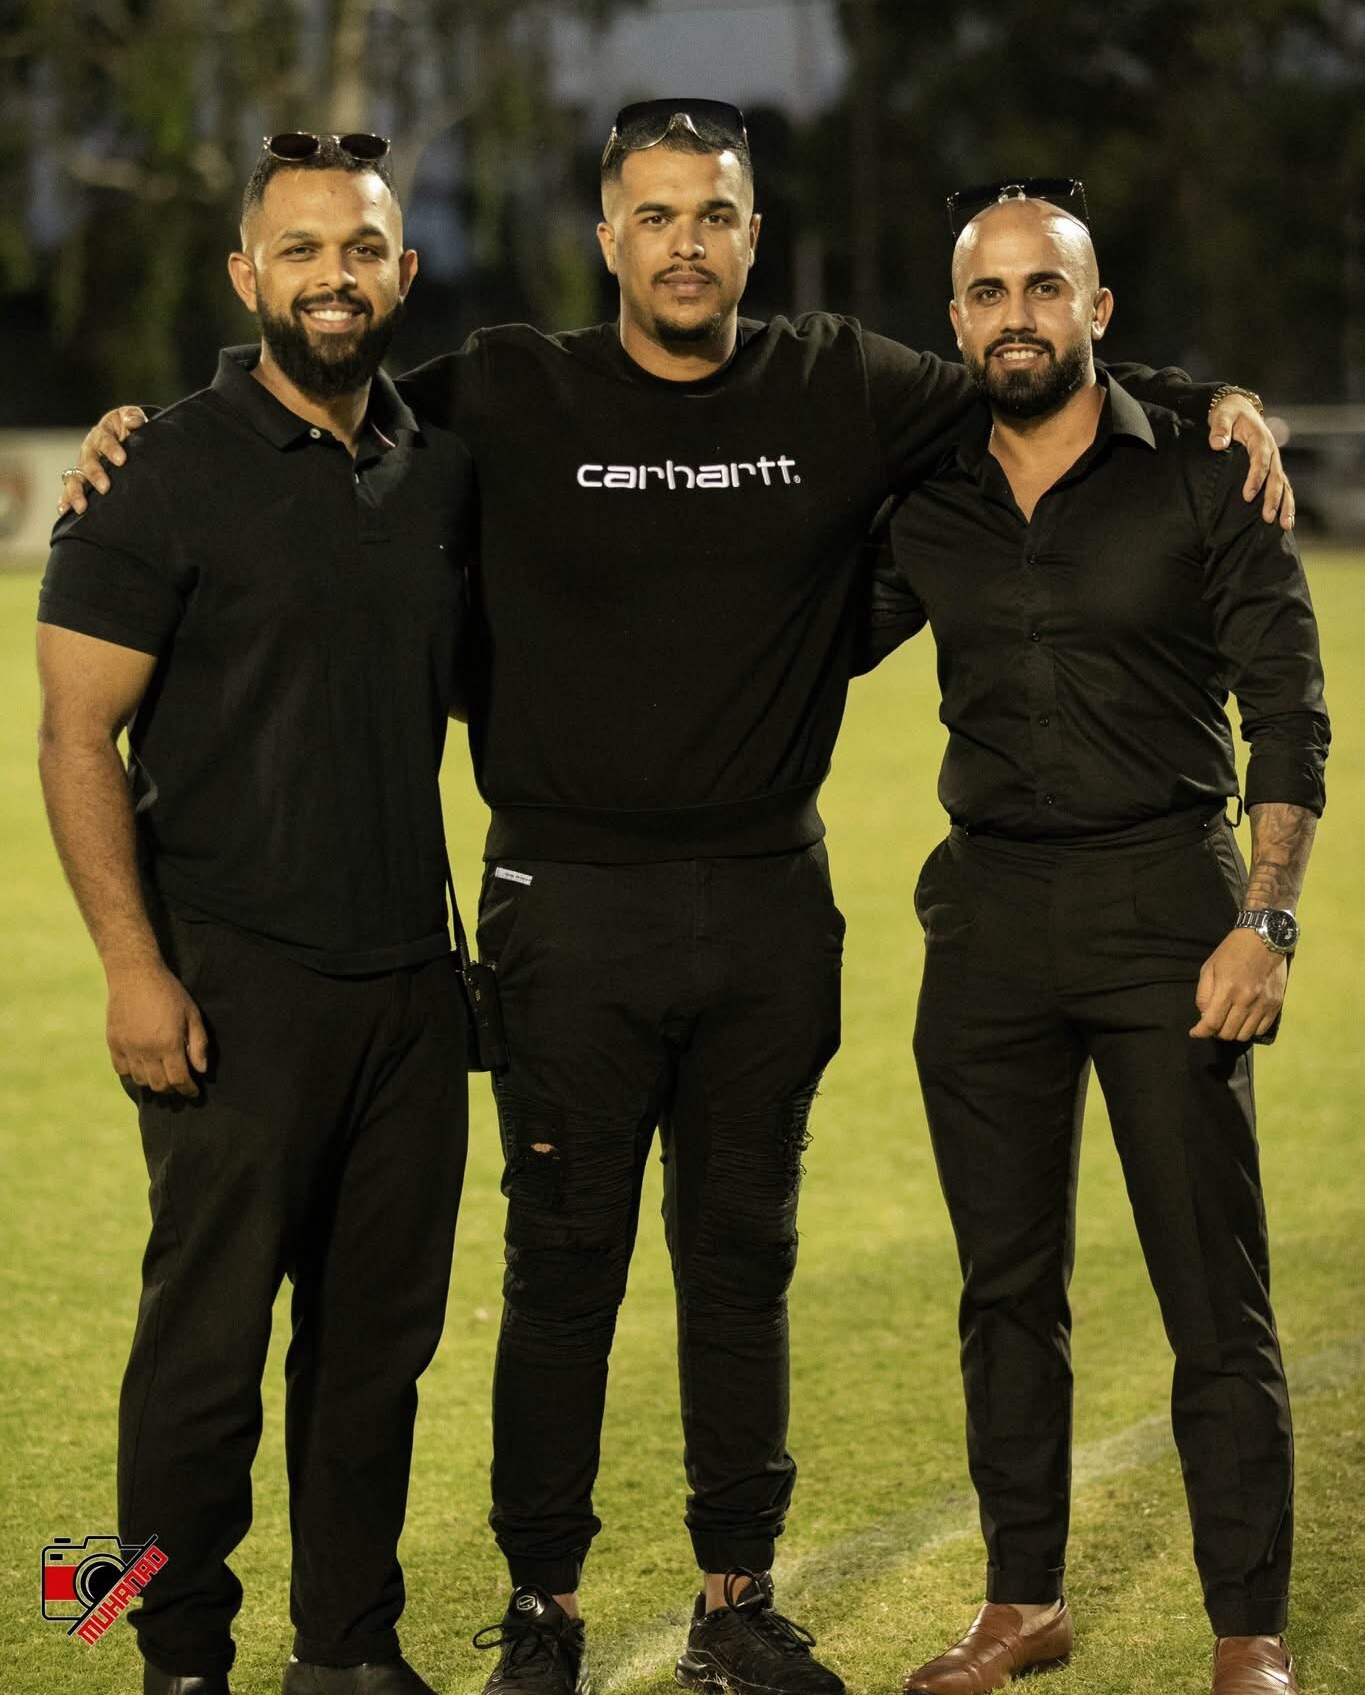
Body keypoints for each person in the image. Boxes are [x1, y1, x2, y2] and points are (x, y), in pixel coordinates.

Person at [61, 110, 1291, 1695]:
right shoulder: (501, 389)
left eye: (712, 213)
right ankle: (208, 1627)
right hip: (521, 916)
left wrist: (1211, 399)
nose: (684, 241)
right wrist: (147, 422)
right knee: (333, 1320)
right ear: (607, 240)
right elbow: (311, 405)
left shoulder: (841, 382)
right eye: (652, 215)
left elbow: (1036, 365)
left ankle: (685, 1610)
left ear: (750, 237)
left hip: (732, 913)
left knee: (667, 1281)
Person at [856, 188, 1328, 1695]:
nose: (1015, 315)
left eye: (1043, 289)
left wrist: (1263, 919)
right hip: (986, 916)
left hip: (1166, 912)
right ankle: (1021, 1602)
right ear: (955, 324)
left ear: (1095, 310)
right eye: (987, 293)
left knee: (1212, 1288)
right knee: (1005, 1286)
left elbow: (1289, 714)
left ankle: (1244, 1627)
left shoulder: (1200, 470)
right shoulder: (918, 490)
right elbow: (778, 607)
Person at [38, 134, 474, 1695]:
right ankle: (160, 1651)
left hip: (415, 996)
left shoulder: (439, 458)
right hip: (227, 983)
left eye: (359, 249)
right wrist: (132, 971)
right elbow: (72, 732)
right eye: (298, 251)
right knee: (198, 1362)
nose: (332, 278)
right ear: (247, 276)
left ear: (401, 272)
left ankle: (348, 1657)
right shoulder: (157, 468)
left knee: (374, 1363)